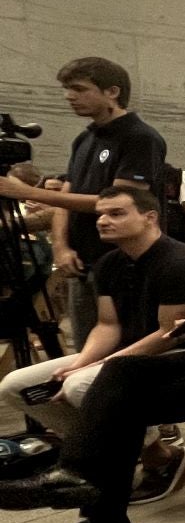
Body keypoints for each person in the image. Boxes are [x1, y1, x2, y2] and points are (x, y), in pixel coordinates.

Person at [0, 186, 185, 523]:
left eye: (117, 213)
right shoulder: (110, 264)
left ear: (150, 217)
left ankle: (80, 478)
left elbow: (169, 335)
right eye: (101, 214)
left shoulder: (178, 262)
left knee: (82, 385)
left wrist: (91, 369)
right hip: (130, 358)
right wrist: (81, 360)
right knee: (17, 386)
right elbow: (108, 326)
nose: (103, 220)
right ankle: (146, 453)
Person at [0, 57, 169, 344]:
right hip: (82, 262)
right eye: (67, 89)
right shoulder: (84, 139)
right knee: (84, 346)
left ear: (112, 92)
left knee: (122, 347)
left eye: (79, 88)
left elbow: (119, 203)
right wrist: (62, 247)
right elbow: (65, 199)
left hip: (123, 262)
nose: (69, 96)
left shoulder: (140, 137)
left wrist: (27, 193)